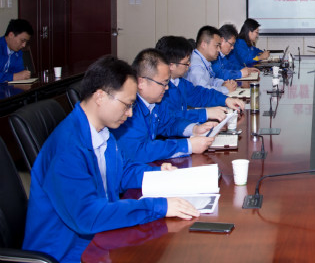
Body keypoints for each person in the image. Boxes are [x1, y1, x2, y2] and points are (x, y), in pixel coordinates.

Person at [22, 55, 199, 263]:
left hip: (100, 237)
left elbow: (122, 172)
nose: (130, 113)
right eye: (127, 105)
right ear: (100, 96)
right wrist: (159, 207)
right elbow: (88, 216)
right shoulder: (67, 147)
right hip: (68, 251)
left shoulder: (102, 132)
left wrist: (159, 175)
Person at [111, 49, 220, 163]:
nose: (167, 88)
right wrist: (187, 145)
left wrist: (195, 129)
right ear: (141, 83)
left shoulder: (155, 102)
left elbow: (170, 123)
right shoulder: (128, 111)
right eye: (163, 83)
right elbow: (139, 151)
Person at [156, 35, 245, 124]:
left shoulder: (179, 82)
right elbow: (171, 117)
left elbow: (199, 94)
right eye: (186, 63)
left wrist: (225, 100)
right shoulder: (161, 89)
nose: (189, 65)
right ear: (171, 66)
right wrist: (205, 113)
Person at [186, 26, 237, 95]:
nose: (219, 50)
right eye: (217, 46)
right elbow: (203, 91)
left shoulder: (204, 60)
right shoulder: (196, 65)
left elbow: (211, 81)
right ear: (204, 44)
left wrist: (223, 83)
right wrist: (225, 89)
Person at [0, 18, 33, 82]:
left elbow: (19, 71)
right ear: (11, 35)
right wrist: (13, 77)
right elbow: (16, 76)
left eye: (26, 42)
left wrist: (23, 75)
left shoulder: (17, 51)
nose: (24, 45)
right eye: (22, 41)